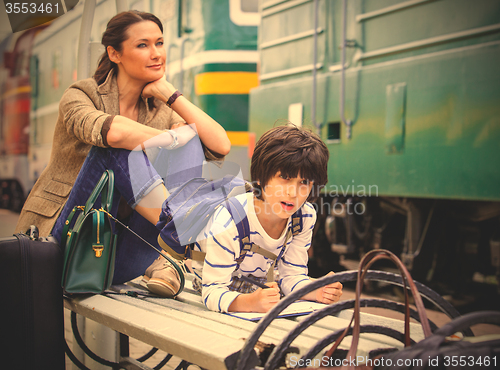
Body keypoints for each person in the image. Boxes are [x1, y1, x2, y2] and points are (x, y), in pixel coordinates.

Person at [15, 10, 230, 297]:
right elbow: (114, 133)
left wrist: (172, 95)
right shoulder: (81, 95)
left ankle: (176, 235)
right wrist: (172, 138)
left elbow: (221, 145)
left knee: (190, 141)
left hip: (120, 255)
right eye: (143, 45)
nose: (156, 54)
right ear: (114, 53)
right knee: (116, 150)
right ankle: (180, 229)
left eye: (160, 43)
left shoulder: (159, 109)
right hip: (65, 246)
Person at [190, 124, 343, 313]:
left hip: (258, 286)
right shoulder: (230, 220)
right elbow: (212, 292)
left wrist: (315, 291)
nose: (293, 192)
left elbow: (291, 276)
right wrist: (249, 303)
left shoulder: (304, 217)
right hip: (213, 284)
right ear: (261, 178)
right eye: (285, 178)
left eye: (304, 182)